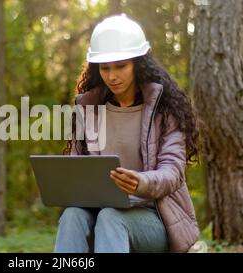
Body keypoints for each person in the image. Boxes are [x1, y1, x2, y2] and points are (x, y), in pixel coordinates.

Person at [56, 14, 200, 253]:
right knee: (71, 216)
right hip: (100, 213)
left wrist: (141, 183)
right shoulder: (88, 109)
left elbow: (173, 171)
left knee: (111, 217)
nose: (112, 76)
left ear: (138, 63)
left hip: (153, 218)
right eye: (105, 68)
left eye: (121, 66)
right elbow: (76, 167)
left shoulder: (165, 108)